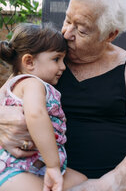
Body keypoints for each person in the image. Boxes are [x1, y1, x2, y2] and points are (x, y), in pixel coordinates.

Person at [0, 0, 126, 191]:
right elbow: (6, 97)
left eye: (82, 30)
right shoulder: (45, 57)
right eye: (68, 20)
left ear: (110, 34)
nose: (66, 33)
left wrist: (104, 185)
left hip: (118, 183)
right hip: (39, 177)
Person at [0, 24, 86, 191]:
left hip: (33, 167)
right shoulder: (32, 84)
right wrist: (53, 166)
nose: (63, 66)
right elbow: (36, 115)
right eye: (56, 59)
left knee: (81, 181)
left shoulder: (16, 83)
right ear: (29, 62)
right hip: (14, 168)